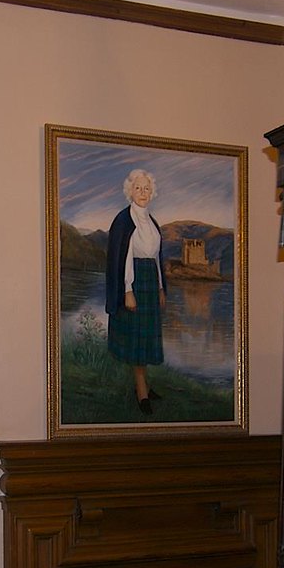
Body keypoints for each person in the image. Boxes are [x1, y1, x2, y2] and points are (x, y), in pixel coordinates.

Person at [104, 168, 168, 414]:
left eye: (147, 188)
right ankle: (141, 390)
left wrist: (161, 287)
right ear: (130, 191)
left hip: (150, 281)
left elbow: (156, 257)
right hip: (133, 281)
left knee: (146, 336)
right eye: (138, 188)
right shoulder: (124, 220)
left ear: (152, 192)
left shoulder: (152, 222)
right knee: (136, 337)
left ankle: (145, 384)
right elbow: (125, 257)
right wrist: (127, 290)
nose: (143, 192)